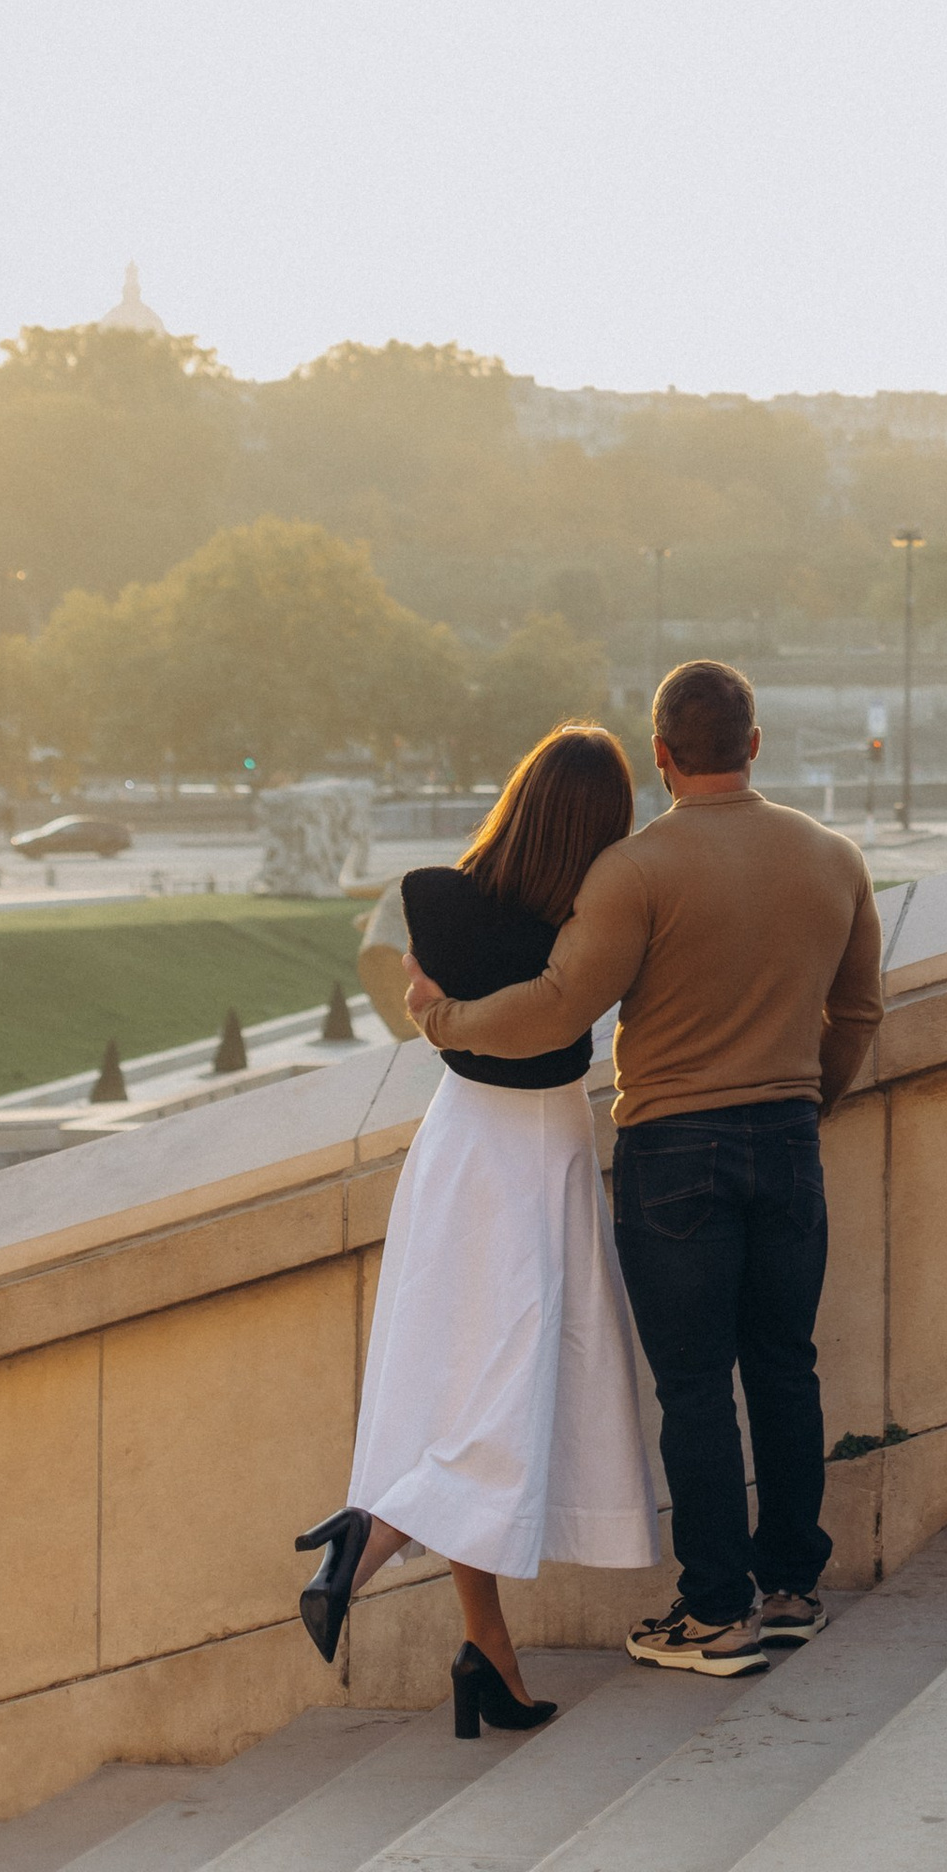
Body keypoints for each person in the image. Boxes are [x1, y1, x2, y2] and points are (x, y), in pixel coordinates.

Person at [404, 657, 884, 1678]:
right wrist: (810, 1098)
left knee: (699, 1388)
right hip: (789, 1136)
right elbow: (859, 1014)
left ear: (663, 756)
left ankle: (718, 1612)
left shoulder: (636, 872)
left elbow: (558, 1005)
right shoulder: (833, 858)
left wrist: (446, 1018)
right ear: (754, 744)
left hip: (675, 1151)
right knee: (786, 1368)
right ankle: (794, 1586)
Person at [293, 724, 660, 1737]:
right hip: (532, 1162)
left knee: (464, 1387)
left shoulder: (435, 897)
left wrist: (442, 1013)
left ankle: (486, 1651)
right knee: (507, 1392)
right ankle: (373, 1532)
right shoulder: (583, 927)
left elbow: (410, 994)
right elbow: (556, 1038)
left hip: (454, 1153)